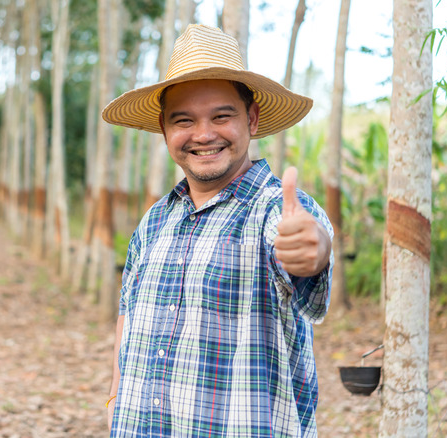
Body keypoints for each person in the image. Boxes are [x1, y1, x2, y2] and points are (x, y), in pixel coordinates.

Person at [101, 24, 334, 437]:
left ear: (252, 118)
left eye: (222, 116)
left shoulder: (274, 209)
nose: (204, 134)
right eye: (184, 120)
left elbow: (307, 255)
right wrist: (117, 397)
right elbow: (128, 313)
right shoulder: (155, 220)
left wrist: (312, 252)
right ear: (164, 129)